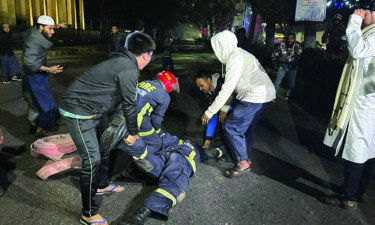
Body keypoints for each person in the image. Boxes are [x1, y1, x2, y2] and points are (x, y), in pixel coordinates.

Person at [58, 32, 156, 225]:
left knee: (105, 145)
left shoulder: (122, 61)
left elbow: (115, 95)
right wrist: (133, 133)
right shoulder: (128, 69)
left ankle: (101, 184)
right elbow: (130, 105)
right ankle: (88, 213)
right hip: (78, 112)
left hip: (94, 111)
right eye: (151, 57)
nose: (150, 61)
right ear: (146, 55)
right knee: (92, 161)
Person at [320, 3, 375, 210]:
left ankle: (348, 196)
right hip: (369, 100)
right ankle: (359, 191)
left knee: (356, 150)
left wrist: (354, 22)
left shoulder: (373, 35)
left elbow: (357, 49)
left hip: (364, 104)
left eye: (367, 11)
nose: (362, 13)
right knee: (368, 150)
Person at [201, 30, 275, 178]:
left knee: (232, 126)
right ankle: (235, 156)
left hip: (255, 96)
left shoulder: (235, 58)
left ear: (223, 46)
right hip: (264, 95)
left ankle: (242, 162)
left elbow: (228, 88)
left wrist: (210, 111)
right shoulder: (240, 53)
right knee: (246, 129)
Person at [116, 132, 221, 225]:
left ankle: (140, 215)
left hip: (174, 160)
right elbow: (156, 135)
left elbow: (213, 152)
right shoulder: (174, 139)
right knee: (173, 183)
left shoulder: (198, 150)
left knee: (150, 163)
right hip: (169, 158)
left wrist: (222, 151)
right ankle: (123, 138)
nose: (189, 140)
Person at [22, 15, 65, 136]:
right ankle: (45, 126)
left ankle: (32, 122)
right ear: (41, 27)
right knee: (45, 101)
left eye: (53, 28)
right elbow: (30, 63)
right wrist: (48, 69)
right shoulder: (35, 41)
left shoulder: (33, 31)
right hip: (35, 73)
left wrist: (56, 25)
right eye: (50, 28)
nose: (53, 31)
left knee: (31, 98)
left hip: (29, 72)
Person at [195, 70, 232, 161]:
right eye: (198, 86)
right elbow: (213, 112)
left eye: (201, 85)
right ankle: (208, 142)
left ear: (208, 80)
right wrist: (207, 141)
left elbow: (232, 96)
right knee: (212, 116)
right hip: (222, 105)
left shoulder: (223, 83)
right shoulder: (207, 91)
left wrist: (225, 109)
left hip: (237, 103)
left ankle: (227, 152)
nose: (200, 89)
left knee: (227, 125)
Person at [272, 32, 303, 100]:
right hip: (282, 66)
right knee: (277, 81)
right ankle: (273, 95)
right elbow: (275, 54)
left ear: (294, 39)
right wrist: (275, 63)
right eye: (288, 38)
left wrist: (297, 64)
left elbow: (300, 56)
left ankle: (288, 95)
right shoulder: (282, 45)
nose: (290, 40)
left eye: (292, 38)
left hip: (292, 67)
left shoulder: (298, 46)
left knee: (291, 83)